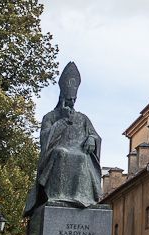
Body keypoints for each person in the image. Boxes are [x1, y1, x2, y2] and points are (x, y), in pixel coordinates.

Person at [23, 62, 102, 216]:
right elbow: (45, 139)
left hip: (80, 152)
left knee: (82, 158)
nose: (72, 103)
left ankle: (79, 197)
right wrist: (62, 121)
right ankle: (57, 196)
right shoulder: (51, 117)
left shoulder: (83, 118)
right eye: (69, 99)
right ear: (62, 98)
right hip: (55, 152)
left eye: (74, 100)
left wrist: (92, 139)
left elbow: (95, 135)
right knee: (61, 152)